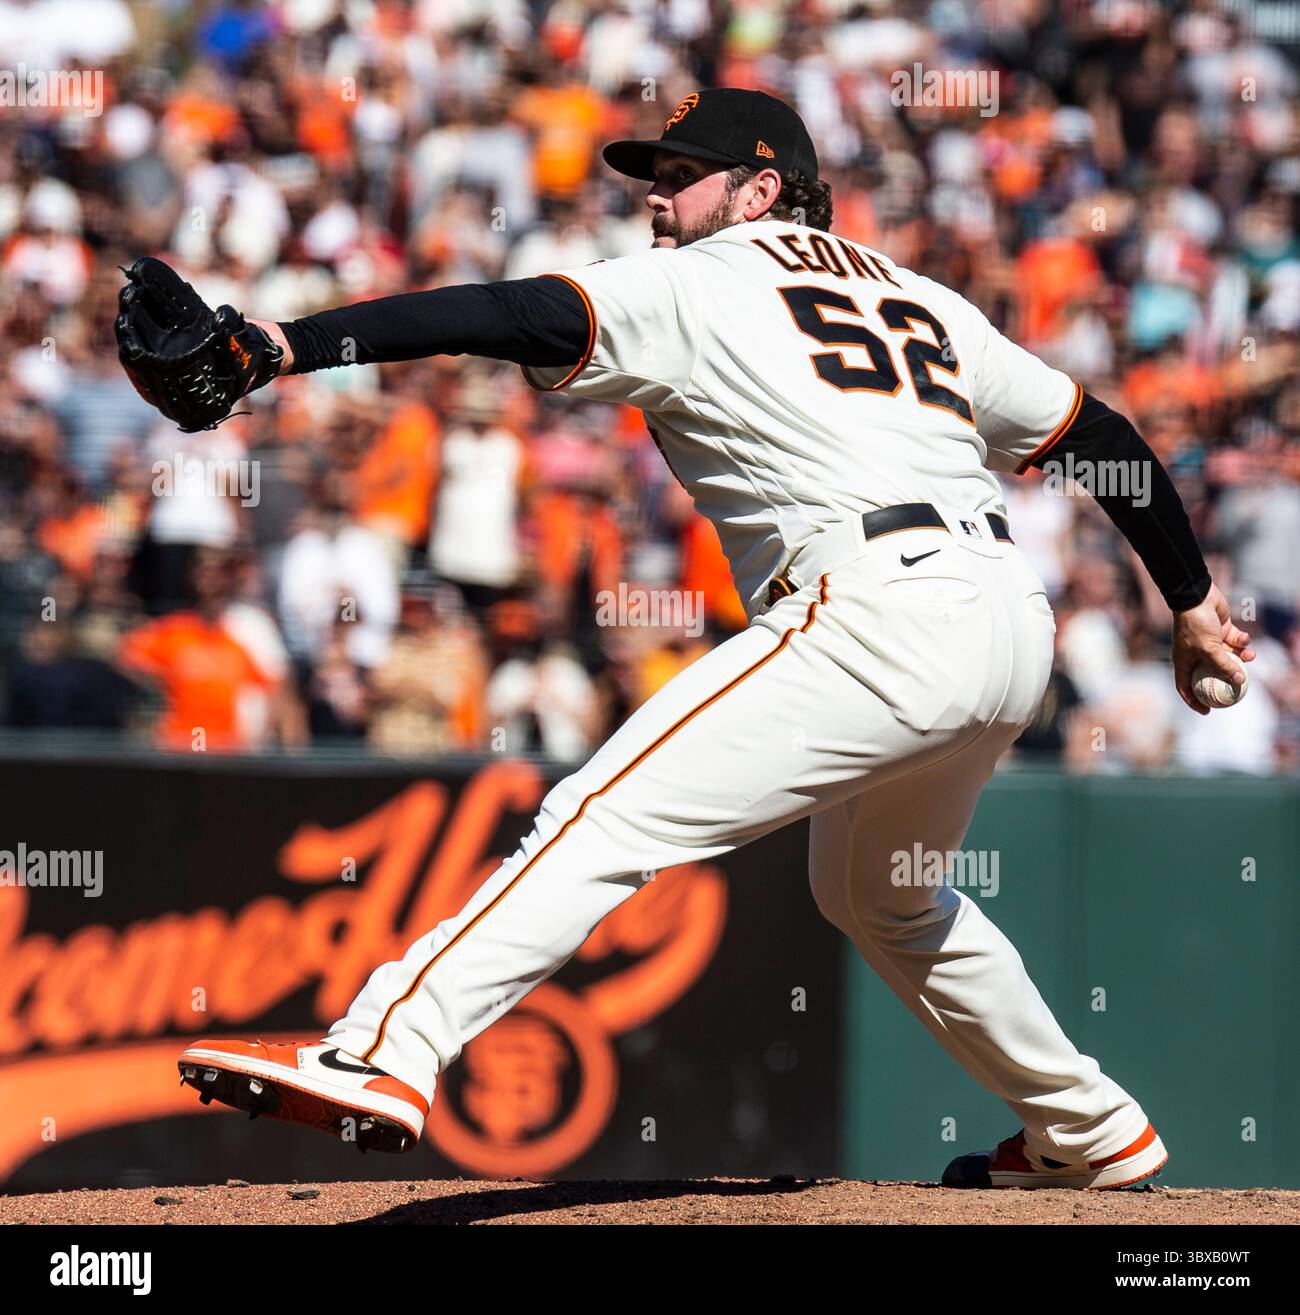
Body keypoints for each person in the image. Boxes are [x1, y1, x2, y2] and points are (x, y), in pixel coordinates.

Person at [173, 89, 1252, 1188]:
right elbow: (1100, 433)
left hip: (871, 606)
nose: (655, 191)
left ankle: (381, 1047)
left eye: (681, 171)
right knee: (880, 893)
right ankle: (1087, 1127)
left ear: (761, 190)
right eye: (653, 168)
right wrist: (1191, 598)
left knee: (597, 815)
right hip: (1007, 621)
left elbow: (507, 314)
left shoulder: (706, 277)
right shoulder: (922, 297)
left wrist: (281, 345)